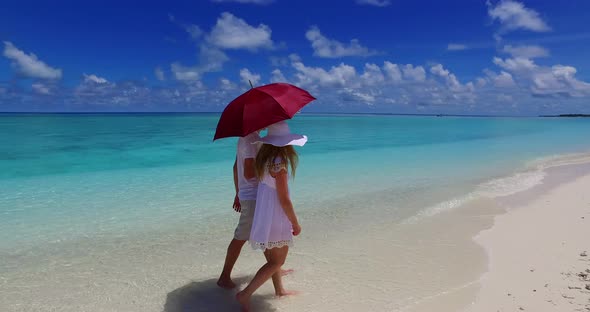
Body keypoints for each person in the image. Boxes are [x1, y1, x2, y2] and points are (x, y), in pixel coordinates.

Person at [236, 121, 306, 311]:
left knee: (273, 259)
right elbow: (284, 200)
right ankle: (245, 294)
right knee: (277, 261)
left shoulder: (265, 160)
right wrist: (295, 223)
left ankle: (279, 290)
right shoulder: (280, 165)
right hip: (277, 216)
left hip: (265, 215)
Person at [217, 130, 261, 289]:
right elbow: (249, 173)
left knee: (263, 232)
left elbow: (236, 167)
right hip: (252, 196)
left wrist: (238, 192)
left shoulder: (244, 138)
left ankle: (274, 267)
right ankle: (224, 277)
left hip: (247, 194)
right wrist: (272, 172)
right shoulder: (251, 139)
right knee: (241, 237)